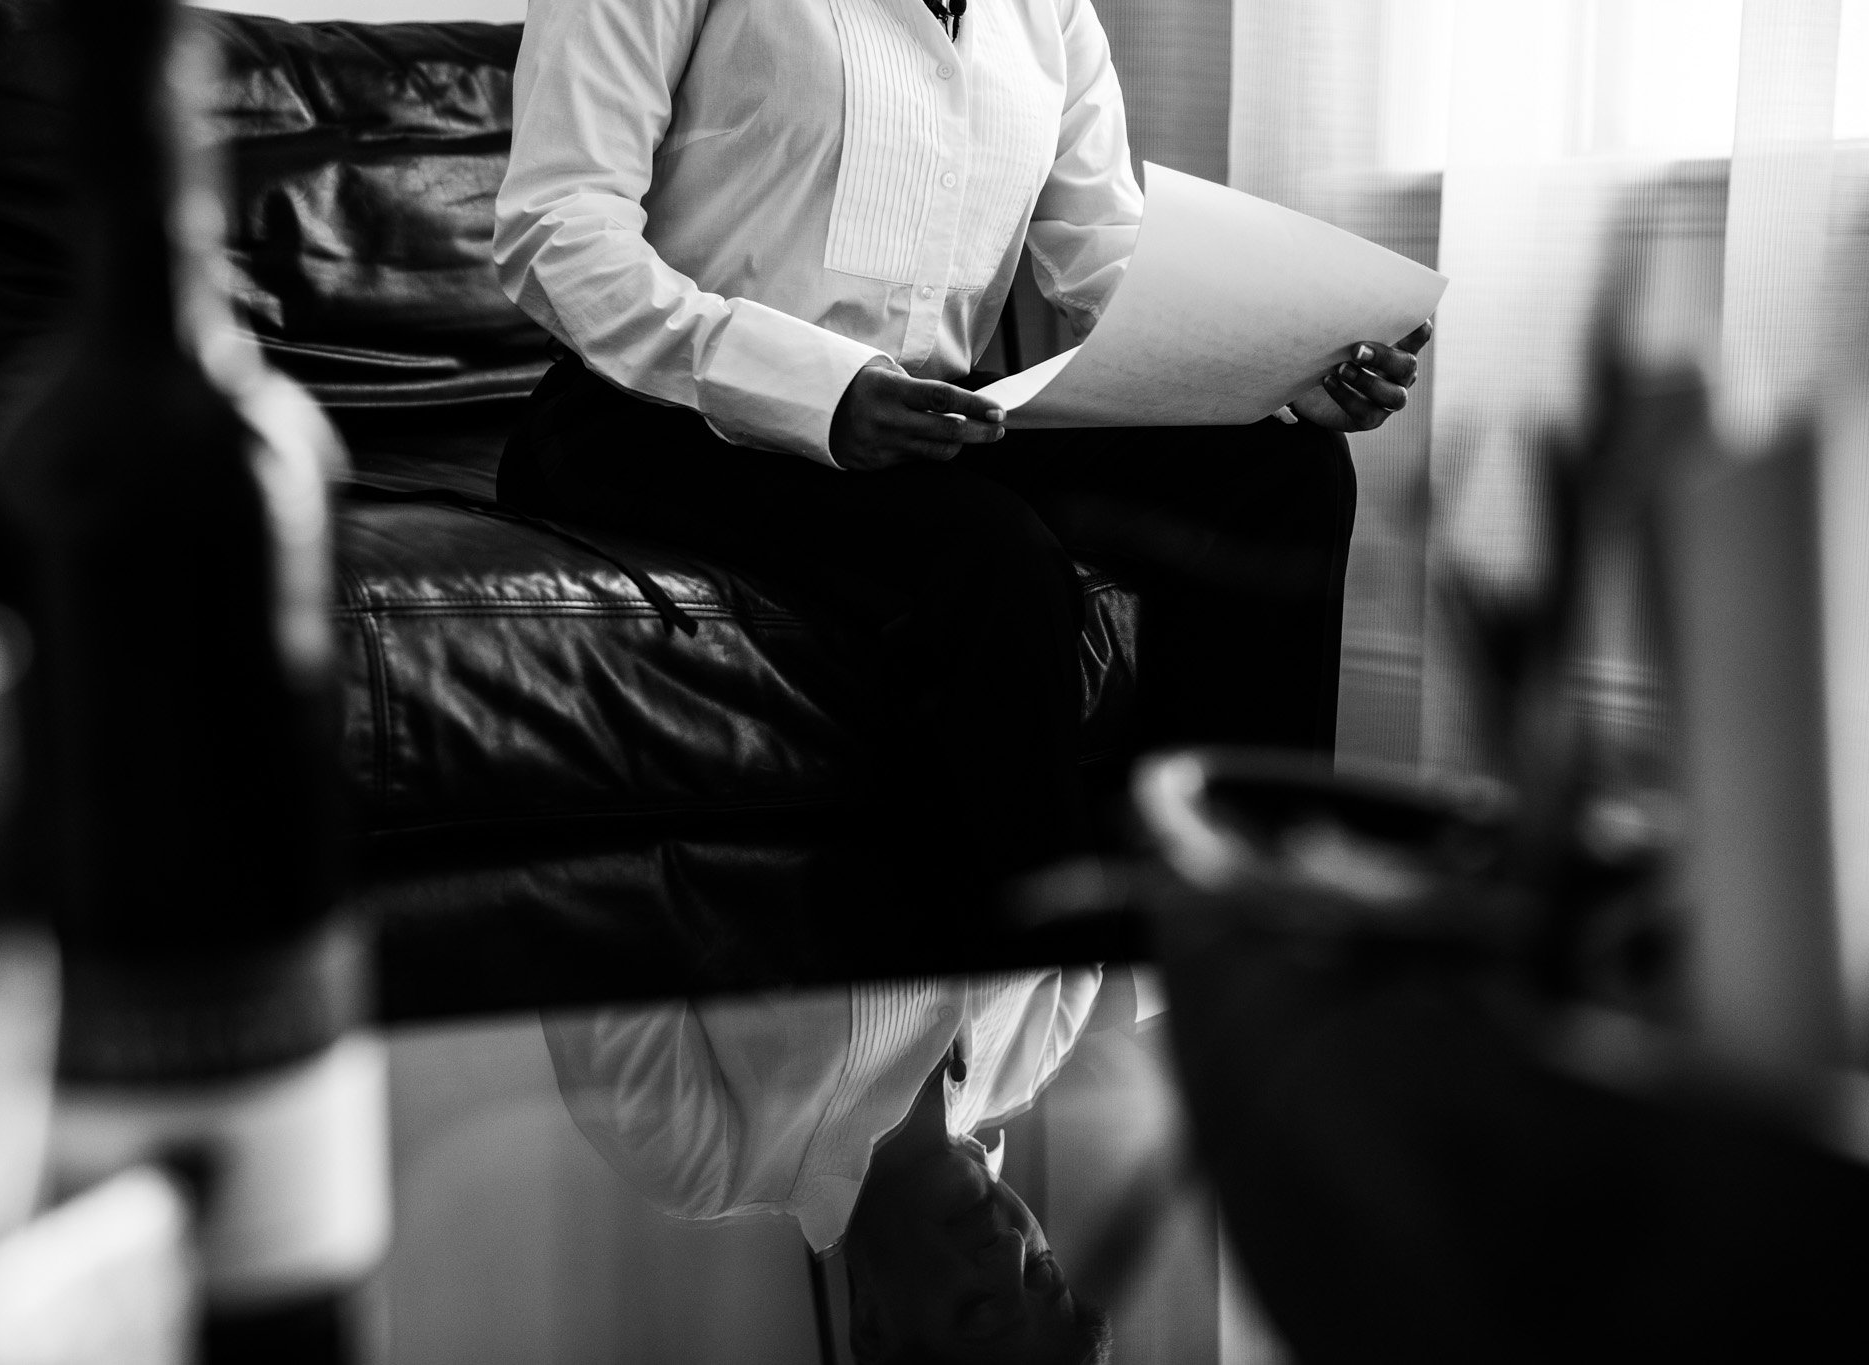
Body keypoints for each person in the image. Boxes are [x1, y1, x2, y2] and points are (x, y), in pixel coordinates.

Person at [493, 0, 1427, 908]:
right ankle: (1022, 984)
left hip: (921, 416)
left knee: (1283, 474)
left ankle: (1240, 935)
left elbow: (1099, 245)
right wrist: (818, 389)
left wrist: (1272, 366)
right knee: (987, 554)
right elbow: (559, 226)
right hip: (652, 414)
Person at [542, 970, 1109, 1364]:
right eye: (1042, 1272)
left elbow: (594, 881)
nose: (1009, 1245)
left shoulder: (696, 1156)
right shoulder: (1035, 1047)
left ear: (874, 1326)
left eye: (978, 1306)